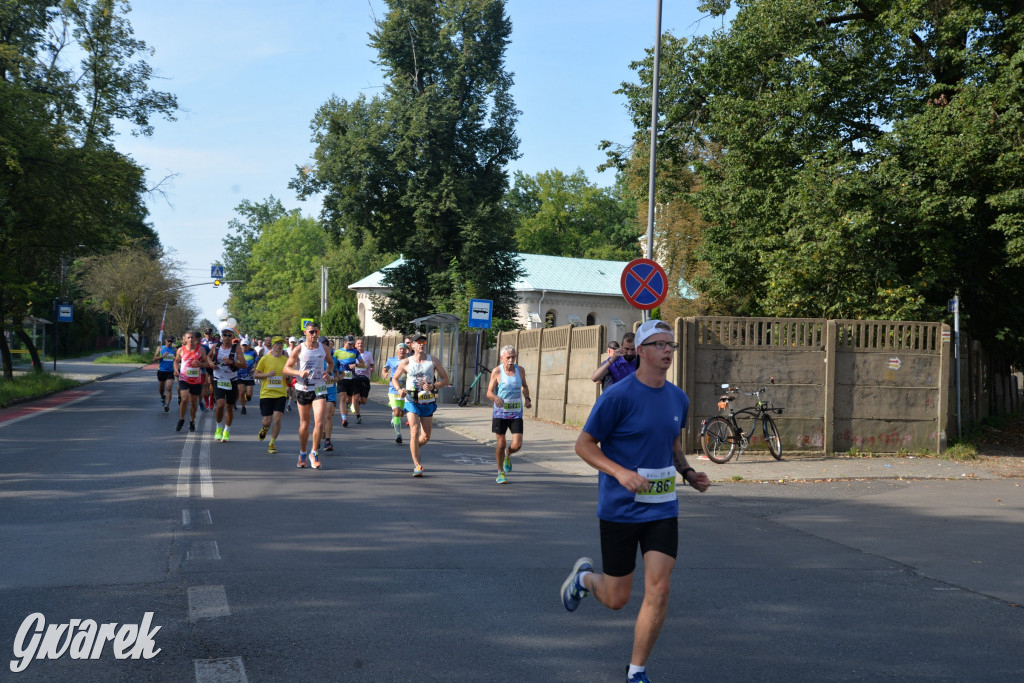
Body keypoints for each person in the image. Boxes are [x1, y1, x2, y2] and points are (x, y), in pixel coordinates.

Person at [560, 319, 710, 683]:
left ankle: (636, 671)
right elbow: (583, 445)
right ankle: (584, 579)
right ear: (640, 350)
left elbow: (673, 443)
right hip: (620, 508)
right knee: (617, 599)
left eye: (671, 345)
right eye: (659, 344)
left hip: (662, 507)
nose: (668, 350)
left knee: (659, 586)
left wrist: (689, 473)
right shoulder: (617, 396)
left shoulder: (679, 397)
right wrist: (619, 472)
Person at [391, 333, 450, 477]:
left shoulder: (433, 361)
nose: (421, 344)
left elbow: (446, 380)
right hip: (411, 401)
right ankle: (417, 465)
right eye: (418, 342)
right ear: (412, 345)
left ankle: (414, 448)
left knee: (425, 437)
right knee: (414, 430)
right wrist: (399, 389)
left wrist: (434, 386)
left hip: (428, 401)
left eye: (423, 342)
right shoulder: (406, 362)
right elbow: (394, 379)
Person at [284, 321, 329, 469]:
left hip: (319, 388)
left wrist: (328, 372)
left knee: (320, 422)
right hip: (303, 388)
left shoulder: (324, 348)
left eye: (316, 331)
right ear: (305, 333)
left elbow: (331, 363)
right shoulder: (299, 349)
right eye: (311, 332)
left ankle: (314, 452)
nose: (314, 334)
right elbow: (287, 368)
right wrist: (299, 373)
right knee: (304, 424)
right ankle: (303, 452)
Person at [485, 344, 532, 484]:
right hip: (501, 413)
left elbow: (524, 386)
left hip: (516, 412)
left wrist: (527, 398)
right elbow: (489, 392)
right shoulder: (497, 371)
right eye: (508, 357)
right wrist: (495, 397)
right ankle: (500, 473)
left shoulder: (520, 370)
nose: (511, 360)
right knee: (501, 443)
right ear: (502, 358)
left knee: (517, 444)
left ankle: (508, 454)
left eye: (513, 357)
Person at [208, 327, 247, 442]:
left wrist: (232, 362)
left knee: (229, 407)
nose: (227, 337)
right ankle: (219, 427)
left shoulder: (237, 349)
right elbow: (208, 357)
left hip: (231, 380)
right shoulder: (216, 347)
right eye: (225, 335)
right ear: (221, 336)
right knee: (220, 404)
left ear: (232, 336)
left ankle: (226, 430)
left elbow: (244, 365)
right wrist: (211, 364)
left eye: (229, 335)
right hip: (218, 379)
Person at [253, 336, 289, 454]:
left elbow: (290, 376)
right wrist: (267, 374)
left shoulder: (286, 360)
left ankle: (272, 443)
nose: (279, 346)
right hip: (267, 393)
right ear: (272, 345)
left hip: (281, 394)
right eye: (277, 344)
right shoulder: (265, 359)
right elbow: (256, 375)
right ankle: (264, 429)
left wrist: (287, 376)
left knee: (277, 420)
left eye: (281, 344)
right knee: (267, 421)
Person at [173, 331, 213, 432]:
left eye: (192, 337)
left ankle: (192, 421)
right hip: (184, 378)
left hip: (196, 379)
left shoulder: (201, 350)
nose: (190, 339)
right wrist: (176, 369)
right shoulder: (180, 350)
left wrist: (200, 363)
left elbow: (206, 364)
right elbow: (176, 361)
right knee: (185, 398)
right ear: (185, 339)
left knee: (193, 402)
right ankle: (181, 419)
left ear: (195, 339)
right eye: (188, 338)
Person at [382, 342, 409, 443]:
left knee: (402, 413)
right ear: (397, 350)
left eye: (403, 349)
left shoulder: (409, 361)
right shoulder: (391, 360)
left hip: (405, 389)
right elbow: (384, 369)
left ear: (406, 351)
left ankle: (394, 417)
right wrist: (385, 374)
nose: (402, 350)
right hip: (393, 389)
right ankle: (398, 434)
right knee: (397, 411)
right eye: (400, 349)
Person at [333, 335, 360, 428]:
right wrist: (335, 373)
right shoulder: (337, 352)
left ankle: (347, 407)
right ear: (344, 342)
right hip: (341, 377)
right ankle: (344, 418)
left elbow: (363, 364)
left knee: (348, 399)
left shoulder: (355, 351)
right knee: (343, 397)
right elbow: (332, 363)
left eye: (353, 344)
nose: (351, 345)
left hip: (351, 378)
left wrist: (356, 364)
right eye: (350, 343)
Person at [320, 337, 338, 452]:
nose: (325, 346)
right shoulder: (315, 358)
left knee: (328, 415)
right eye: (322, 344)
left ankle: (327, 440)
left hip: (330, 391)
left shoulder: (334, 359)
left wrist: (336, 378)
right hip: (319, 390)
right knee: (320, 417)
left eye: (327, 344)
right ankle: (321, 431)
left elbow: (339, 373)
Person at [351, 337, 374, 423]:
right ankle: (358, 416)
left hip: (365, 378)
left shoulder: (368, 354)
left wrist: (371, 369)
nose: (360, 345)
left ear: (364, 345)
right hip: (356, 377)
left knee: (363, 401)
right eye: (358, 343)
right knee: (356, 397)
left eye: (361, 343)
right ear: (355, 345)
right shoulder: (353, 354)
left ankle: (355, 404)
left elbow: (372, 365)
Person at [153, 336, 177, 411]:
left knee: (169, 387)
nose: (170, 343)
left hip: (170, 371)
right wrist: (162, 356)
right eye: (168, 341)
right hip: (161, 371)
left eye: (171, 341)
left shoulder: (174, 349)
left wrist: (175, 359)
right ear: (165, 340)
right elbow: (154, 359)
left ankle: (167, 404)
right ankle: (162, 396)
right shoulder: (160, 348)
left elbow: (177, 359)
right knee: (161, 388)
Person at [236, 337, 258, 415]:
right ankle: (243, 407)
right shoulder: (237, 353)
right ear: (240, 345)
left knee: (249, 394)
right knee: (241, 392)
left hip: (249, 375)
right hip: (239, 375)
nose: (244, 347)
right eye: (243, 345)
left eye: (245, 345)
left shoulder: (253, 353)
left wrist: (255, 368)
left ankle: (248, 397)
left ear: (248, 346)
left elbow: (258, 361)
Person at [285, 336, 299, 411]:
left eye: (294, 342)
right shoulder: (286, 351)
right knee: (287, 389)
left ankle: (289, 404)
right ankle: (285, 400)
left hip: (295, 373)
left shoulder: (298, 350)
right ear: (289, 343)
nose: (293, 343)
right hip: (287, 372)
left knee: (292, 389)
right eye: (291, 342)